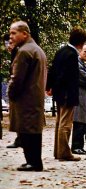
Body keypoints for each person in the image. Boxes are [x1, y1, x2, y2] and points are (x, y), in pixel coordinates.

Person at [7, 21, 47, 171]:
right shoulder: (36, 49)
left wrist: (11, 94)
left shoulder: (24, 51)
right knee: (33, 130)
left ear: (24, 33)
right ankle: (34, 161)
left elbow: (17, 78)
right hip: (34, 96)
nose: (11, 36)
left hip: (26, 97)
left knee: (27, 130)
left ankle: (33, 162)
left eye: (13, 33)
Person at [47, 27, 86, 161]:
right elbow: (70, 77)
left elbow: (52, 70)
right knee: (66, 123)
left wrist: (49, 86)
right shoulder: (72, 55)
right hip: (68, 93)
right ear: (81, 43)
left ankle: (57, 151)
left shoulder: (61, 51)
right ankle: (64, 152)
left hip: (59, 92)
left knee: (59, 122)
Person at [71, 44, 86, 155]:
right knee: (79, 121)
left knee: (83, 121)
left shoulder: (85, 64)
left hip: (85, 95)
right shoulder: (77, 63)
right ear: (80, 51)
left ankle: (80, 145)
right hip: (79, 95)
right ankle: (75, 146)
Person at [4, 35, 22, 149]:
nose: (7, 47)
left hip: (18, 86)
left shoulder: (19, 51)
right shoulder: (15, 52)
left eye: (9, 43)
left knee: (17, 115)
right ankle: (19, 138)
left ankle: (20, 139)